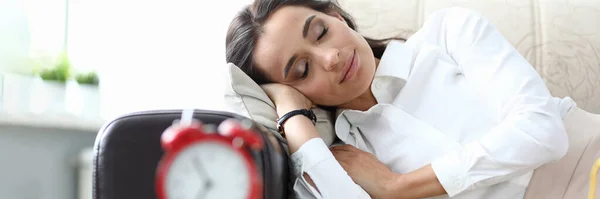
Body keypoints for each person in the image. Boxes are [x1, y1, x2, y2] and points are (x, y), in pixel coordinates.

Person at [225, 0, 576, 198]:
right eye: (302, 70)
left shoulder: (447, 34)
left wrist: (398, 186)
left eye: (320, 32)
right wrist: (290, 111)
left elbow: (543, 132)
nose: (330, 58)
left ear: (336, 15)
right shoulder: (346, 153)